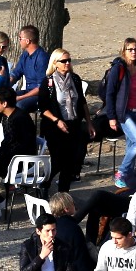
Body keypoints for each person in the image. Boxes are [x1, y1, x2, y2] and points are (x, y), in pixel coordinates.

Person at [99, 38, 136, 188]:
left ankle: (128, 177)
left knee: (131, 144)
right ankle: (122, 171)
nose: (133, 52)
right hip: (123, 113)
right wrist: (112, 117)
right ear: (124, 51)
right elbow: (110, 94)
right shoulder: (118, 68)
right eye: (130, 49)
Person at [39, 48, 92, 192]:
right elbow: (43, 107)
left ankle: (64, 194)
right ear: (55, 63)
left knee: (70, 162)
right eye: (63, 61)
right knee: (58, 161)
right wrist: (57, 120)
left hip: (73, 123)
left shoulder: (75, 79)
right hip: (55, 127)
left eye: (69, 60)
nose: (67, 63)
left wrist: (88, 122)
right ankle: (45, 182)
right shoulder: (48, 83)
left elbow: (82, 102)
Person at [11, 25, 51, 114]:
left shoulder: (42, 58)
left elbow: (41, 87)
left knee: (20, 105)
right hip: (28, 91)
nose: (19, 41)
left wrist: (21, 97)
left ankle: (25, 126)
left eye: (20, 38)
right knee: (4, 100)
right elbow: (16, 73)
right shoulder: (25, 54)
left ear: (27, 41)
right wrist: (5, 87)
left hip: (39, 95)